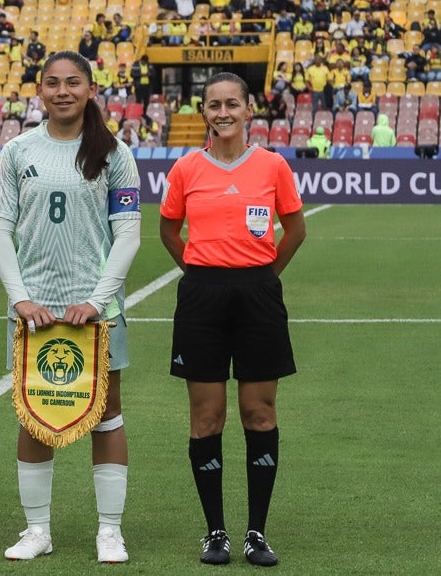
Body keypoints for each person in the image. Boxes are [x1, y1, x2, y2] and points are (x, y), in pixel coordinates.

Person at [0, 51, 141, 564]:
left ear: (90, 89)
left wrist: (96, 301)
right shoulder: (16, 151)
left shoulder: (114, 152)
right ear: (39, 90)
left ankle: (110, 531)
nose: (62, 91)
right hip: (34, 314)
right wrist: (19, 297)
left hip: (96, 314)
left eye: (73, 83)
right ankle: (37, 531)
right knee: (33, 418)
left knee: (108, 416)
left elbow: (129, 234)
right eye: (53, 83)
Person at [159, 72, 306, 568]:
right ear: (203, 111)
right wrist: (201, 271)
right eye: (213, 105)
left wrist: (263, 275)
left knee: (259, 414)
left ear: (249, 111)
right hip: (202, 298)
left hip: (258, 296)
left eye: (231, 104)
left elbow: (295, 228)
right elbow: (168, 229)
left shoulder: (272, 166)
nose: (222, 112)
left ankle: (256, 533)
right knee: (207, 417)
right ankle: (216, 532)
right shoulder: (185, 169)